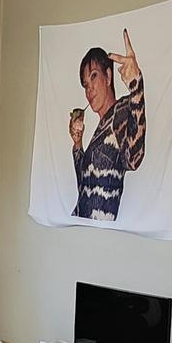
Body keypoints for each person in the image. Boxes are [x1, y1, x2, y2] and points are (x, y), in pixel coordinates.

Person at [69, 29, 145, 220]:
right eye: (85, 84)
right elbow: (84, 184)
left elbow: (133, 159)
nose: (89, 89)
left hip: (101, 231)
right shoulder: (102, 126)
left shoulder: (121, 110)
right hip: (83, 227)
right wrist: (77, 144)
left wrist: (136, 85)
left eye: (93, 76)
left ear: (109, 76)